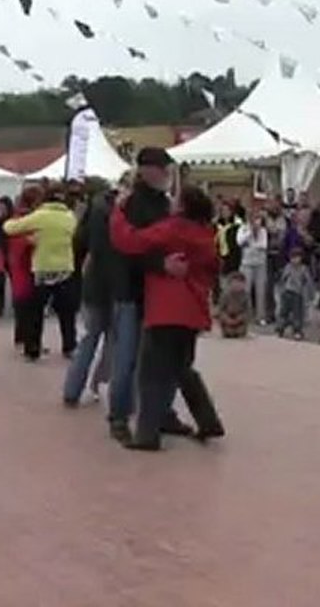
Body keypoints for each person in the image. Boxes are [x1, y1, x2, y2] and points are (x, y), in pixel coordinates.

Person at [110, 185, 225, 451]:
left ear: (183, 206)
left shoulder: (173, 228)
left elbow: (129, 240)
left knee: (151, 373)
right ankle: (208, 420)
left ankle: (147, 434)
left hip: (165, 309)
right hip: (193, 311)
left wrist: (118, 212)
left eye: (176, 198)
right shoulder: (205, 234)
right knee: (182, 368)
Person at [108, 148, 191, 445]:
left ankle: (161, 412)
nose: (167, 174)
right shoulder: (129, 205)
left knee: (163, 359)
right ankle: (119, 416)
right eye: (162, 168)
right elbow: (127, 249)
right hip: (132, 291)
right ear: (146, 170)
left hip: (161, 293)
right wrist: (161, 264)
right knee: (127, 359)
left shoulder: (166, 204)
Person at [3, 182, 78, 361]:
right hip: (65, 268)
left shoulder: (39, 216)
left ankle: (32, 349)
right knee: (67, 313)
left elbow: (9, 228)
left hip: (42, 268)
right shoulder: (70, 217)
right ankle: (69, 346)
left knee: (35, 312)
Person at [63, 184, 117, 407]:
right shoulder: (121, 212)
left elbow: (78, 243)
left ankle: (72, 388)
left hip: (93, 282)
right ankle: (98, 383)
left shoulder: (92, 211)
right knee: (114, 341)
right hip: (118, 285)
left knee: (89, 338)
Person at [7, 187, 40, 351]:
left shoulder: (17, 217)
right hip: (26, 262)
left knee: (21, 297)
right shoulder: (29, 218)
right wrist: (30, 241)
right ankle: (26, 338)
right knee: (28, 301)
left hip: (17, 261)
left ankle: (21, 336)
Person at [236, 208, 268, 326]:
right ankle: (245, 315)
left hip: (260, 264)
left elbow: (263, 245)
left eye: (257, 218)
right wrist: (250, 232)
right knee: (246, 290)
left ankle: (260, 316)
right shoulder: (243, 229)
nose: (256, 221)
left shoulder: (263, 231)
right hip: (246, 263)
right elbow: (240, 242)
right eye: (253, 218)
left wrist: (251, 243)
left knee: (260, 291)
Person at [276, 247, 315, 340]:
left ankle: (297, 330)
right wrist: (281, 291)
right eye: (293, 257)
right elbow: (282, 279)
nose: (295, 260)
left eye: (297, 257)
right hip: (287, 292)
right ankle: (281, 327)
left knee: (297, 313)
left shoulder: (303, 269)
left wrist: (311, 294)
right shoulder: (288, 267)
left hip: (297, 293)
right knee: (283, 311)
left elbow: (309, 281)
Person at [262, 197, 288, 323]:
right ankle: (270, 313)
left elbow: (286, 237)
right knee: (268, 286)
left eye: (276, 204)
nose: (274, 206)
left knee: (284, 287)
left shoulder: (285, 220)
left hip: (281, 257)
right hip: (267, 256)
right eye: (271, 204)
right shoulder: (263, 220)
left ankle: (284, 313)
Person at [217, 271, 251, 338]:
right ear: (229, 284)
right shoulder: (225, 295)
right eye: (235, 283)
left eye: (240, 283)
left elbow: (248, 311)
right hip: (228, 318)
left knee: (240, 331)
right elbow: (220, 310)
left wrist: (240, 318)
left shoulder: (246, 296)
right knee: (229, 332)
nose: (237, 285)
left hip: (240, 319)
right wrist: (227, 319)